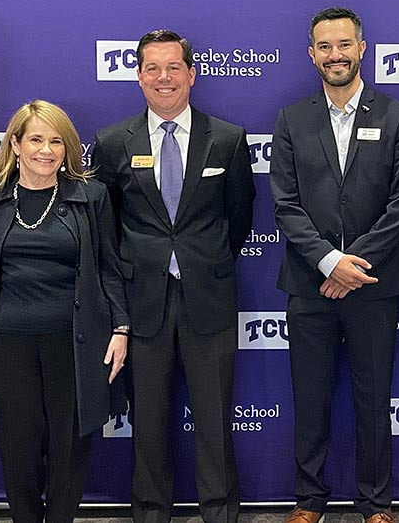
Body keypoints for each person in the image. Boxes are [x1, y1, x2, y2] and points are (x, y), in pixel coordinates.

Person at [91, 29, 253, 523]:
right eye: (152, 69)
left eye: (173, 68)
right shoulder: (113, 142)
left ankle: (220, 513)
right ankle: (150, 512)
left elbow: (239, 217)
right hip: (143, 305)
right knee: (149, 422)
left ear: (192, 74)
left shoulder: (226, 139)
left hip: (209, 299)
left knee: (213, 420)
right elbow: (108, 227)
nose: (164, 78)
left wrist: (204, 260)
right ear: (139, 76)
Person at [270, 7, 399, 523]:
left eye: (344, 45)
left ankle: (376, 503)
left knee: (374, 400)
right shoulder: (292, 118)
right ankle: (309, 501)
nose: (336, 55)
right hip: (310, 284)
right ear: (312, 54)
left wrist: (355, 266)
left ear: (362, 48)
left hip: (375, 285)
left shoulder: (398, 115)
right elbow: (285, 204)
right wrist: (330, 262)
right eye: (325, 47)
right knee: (310, 401)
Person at [0, 100, 128, 523]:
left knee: (69, 446)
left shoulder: (90, 196)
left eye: (56, 141)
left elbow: (110, 267)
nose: (46, 149)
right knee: (18, 448)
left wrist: (122, 328)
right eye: (36, 139)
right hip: (8, 343)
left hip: (75, 341)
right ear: (16, 144)